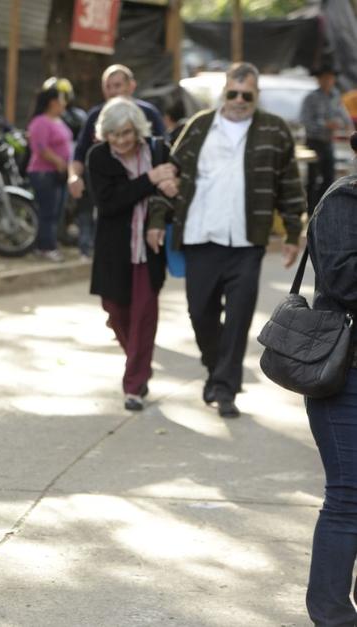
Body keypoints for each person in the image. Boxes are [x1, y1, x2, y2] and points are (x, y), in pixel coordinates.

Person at [146, 62, 303, 419]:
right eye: (232, 93)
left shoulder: (275, 130)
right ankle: (217, 370)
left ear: (256, 95)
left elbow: (289, 185)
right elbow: (171, 174)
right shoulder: (199, 126)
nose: (238, 100)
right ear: (223, 93)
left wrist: (293, 233)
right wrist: (157, 219)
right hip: (201, 238)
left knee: (238, 318)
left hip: (247, 243)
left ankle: (224, 388)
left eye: (246, 95)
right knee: (200, 313)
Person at [86, 98, 177, 411]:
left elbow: (171, 194)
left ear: (137, 130)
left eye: (126, 133)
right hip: (114, 252)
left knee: (144, 316)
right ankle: (138, 363)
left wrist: (168, 192)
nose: (121, 141)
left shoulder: (157, 151)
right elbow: (108, 203)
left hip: (148, 251)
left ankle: (134, 384)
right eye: (114, 135)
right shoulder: (98, 157)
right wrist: (149, 180)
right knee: (115, 311)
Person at [301, 133, 357, 626]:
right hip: (346, 377)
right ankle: (332, 616)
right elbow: (343, 281)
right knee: (347, 496)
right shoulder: (344, 200)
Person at [69, 64, 165, 259]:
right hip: (109, 198)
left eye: (117, 85)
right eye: (108, 87)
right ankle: (85, 250)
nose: (113, 91)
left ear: (132, 86)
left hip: (146, 203)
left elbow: (163, 153)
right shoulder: (95, 117)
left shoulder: (149, 114)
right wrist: (73, 177)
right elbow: (79, 153)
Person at [27, 87, 72, 262]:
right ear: (53, 102)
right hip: (44, 173)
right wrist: (58, 161)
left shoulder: (58, 120)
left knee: (56, 211)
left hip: (59, 173)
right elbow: (40, 148)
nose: (64, 104)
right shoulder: (40, 122)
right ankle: (46, 246)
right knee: (48, 211)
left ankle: (48, 243)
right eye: (61, 100)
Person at [300, 65, 351, 215]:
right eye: (325, 78)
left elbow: (344, 116)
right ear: (319, 80)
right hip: (314, 142)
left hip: (328, 142)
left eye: (331, 78)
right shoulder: (311, 98)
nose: (328, 81)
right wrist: (325, 124)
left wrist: (347, 127)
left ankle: (324, 209)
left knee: (329, 177)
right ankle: (311, 211)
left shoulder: (335, 96)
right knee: (313, 179)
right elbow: (305, 120)